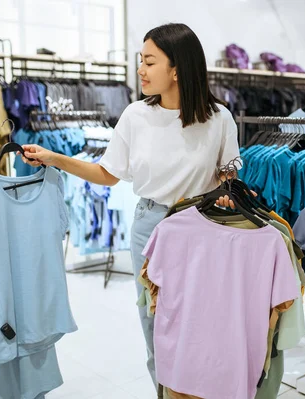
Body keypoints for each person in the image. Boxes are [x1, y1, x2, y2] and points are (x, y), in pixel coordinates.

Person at [20, 23, 242, 394]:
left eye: (149, 61)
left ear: (177, 68)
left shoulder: (218, 118)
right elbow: (108, 174)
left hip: (202, 227)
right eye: (140, 60)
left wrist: (226, 186)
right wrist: (54, 158)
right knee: (155, 323)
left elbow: (230, 167)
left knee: (201, 324)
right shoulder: (136, 116)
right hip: (150, 225)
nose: (140, 69)